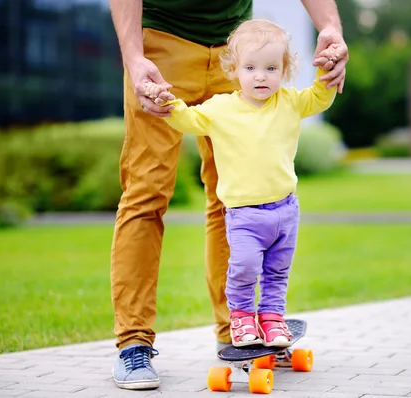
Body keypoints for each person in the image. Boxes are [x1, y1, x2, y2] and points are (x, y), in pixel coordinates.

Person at [109, 0, 349, 390]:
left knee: (239, 200)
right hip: (160, 45)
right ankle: (133, 342)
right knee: (146, 193)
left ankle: (237, 331)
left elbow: (313, 94)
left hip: (236, 47)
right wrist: (134, 57)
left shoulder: (267, 80)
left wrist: (331, 28)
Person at [146, 18, 338, 349]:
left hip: (285, 212)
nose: (260, 75)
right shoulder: (221, 109)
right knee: (245, 268)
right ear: (234, 70)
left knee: (278, 273)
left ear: (284, 70)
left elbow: (321, 98)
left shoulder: (290, 102)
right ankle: (241, 317)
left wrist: (326, 71)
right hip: (245, 215)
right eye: (250, 67)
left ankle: (273, 318)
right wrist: (169, 104)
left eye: (270, 67)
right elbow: (189, 120)